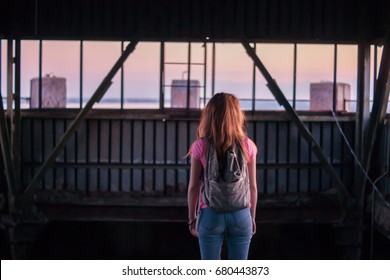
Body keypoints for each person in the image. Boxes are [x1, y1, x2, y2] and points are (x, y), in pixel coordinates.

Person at [187, 92, 258, 260]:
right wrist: (252, 216)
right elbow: (252, 187)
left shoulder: (200, 146)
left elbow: (193, 187)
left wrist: (192, 218)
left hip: (210, 213)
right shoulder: (248, 145)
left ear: (209, 115)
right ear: (237, 115)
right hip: (241, 214)